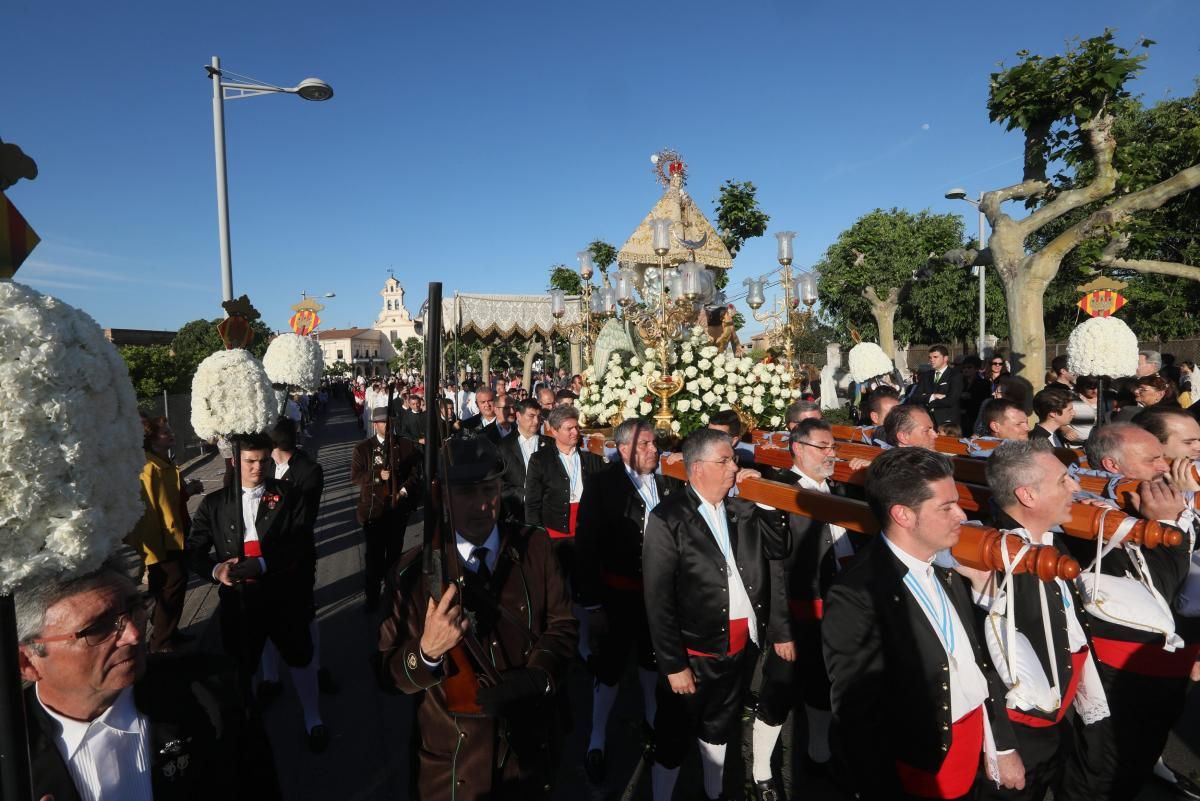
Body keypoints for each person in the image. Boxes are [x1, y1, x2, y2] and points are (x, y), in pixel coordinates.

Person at [376, 436, 578, 801]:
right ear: (443, 494)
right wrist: (426, 653)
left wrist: (536, 678)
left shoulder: (535, 546)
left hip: (529, 747)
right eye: (467, 492)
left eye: (490, 489)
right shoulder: (410, 575)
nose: (482, 504)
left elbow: (562, 625)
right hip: (454, 765)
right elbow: (387, 673)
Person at [823, 447, 1018, 800]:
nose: (961, 514)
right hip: (920, 767)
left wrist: (1001, 747)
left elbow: (976, 661)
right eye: (946, 507)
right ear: (903, 515)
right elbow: (858, 713)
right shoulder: (856, 592)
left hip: (972, 747)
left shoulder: (948, 567)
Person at [17, 566, 282, 801]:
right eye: (97, 628)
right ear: (27, 662)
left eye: (135, 608)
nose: (133, 634)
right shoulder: (13, 755)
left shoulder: (215, 689)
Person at [643, 428, 789, 801]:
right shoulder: (668, 518)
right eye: (724, 460)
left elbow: (777, 546)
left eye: (734, 459)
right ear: (697, 469)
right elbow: (658, 599)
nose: (734, 467)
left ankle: (713, 791)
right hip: (694, 650)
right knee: (674, 733)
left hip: (738, 646)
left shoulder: (742, 508)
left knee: (720, 724)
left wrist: (767, 498)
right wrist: (673, 664)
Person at [981, 441, 1114, 801]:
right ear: (1027, 495)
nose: (1076, 487)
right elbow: (983, 667)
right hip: (1021, 727)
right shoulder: (991, 560)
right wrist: (1003, 748)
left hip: (1063, 709)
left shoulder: (1055, 542)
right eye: (1063, 481)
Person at [1072, 422, 1194, 799]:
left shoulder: (1152, 498)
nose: (1165, 465)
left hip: (1167, 666)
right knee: (1109, 774)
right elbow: (1159, 589)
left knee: (1138, 759)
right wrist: (1170, 523)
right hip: (1122, 673)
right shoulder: (1092, 515)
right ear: (1112, 466)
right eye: (1153, 458)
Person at [185, 433, 327, 752]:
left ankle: (313, 717)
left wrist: (262, 565)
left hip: (284, 596)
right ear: (236, 461)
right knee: (240, 665)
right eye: (250, 461)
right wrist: (216, 570)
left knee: (300, 657)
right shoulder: (215, 504)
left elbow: (300, 543)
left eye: (263, 460)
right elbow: (193, 551)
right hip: (240, 603)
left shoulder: (288, 495)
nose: (258, 467)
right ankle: (246, 724)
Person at [751, 419, 869, 799]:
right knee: (779, 691)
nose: (831, 453)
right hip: (799, 613)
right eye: (823, 446)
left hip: (838, 612)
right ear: (798, 448)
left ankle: (819, 753)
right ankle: (760, 771)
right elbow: (774, 569)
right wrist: (781, 631)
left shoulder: (836, 489)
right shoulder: (780, 493)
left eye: (832, 446)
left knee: (823, 687)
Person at [574, 418, 682, 784]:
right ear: (623, 450)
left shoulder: (668, 480)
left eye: (655, 444)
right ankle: (597, 738)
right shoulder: (604, 485)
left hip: (661, 597)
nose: (655, 451)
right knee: (610, 669)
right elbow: (586, 544)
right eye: (646, 445)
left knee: (654, 663)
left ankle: (653, 724)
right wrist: (591, 605)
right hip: (619, 594)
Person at [127, 416, 199, 653]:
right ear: (150, 439)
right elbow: (148, 514)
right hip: (163, 542)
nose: (171, 434)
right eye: (165, 432)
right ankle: (161, 643)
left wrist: (187, 491)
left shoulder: (162, 463)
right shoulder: (149, 468)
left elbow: (169, 500)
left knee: (167, 586)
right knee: (173, 584)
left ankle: (168, 630)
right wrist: (153, 552)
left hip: (175, 534)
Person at [351, 407, 421, 612]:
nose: (388, 426)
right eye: (383, 422)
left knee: (394, 556)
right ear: (375, 424)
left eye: (390, 422)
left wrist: (403, 491)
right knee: (373, 559)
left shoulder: (407, 444)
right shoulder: (363, 448)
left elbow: (415, 474)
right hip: (373, 511)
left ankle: (392, 596)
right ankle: (372, 598)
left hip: (397, 510)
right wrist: (376, 475)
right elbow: (355, 476)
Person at [524, 404, 606, 578]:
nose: (575, 432)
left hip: (586, 528)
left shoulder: (589, 456)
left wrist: (602, 446)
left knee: (585, 578)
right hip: (555, 531)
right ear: (554, 431)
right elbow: (532, 502)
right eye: (569, 429)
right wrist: (536, 536)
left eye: (576, 427)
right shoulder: (540, 459)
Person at [496, 398, 552, 522]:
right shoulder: (503, 446)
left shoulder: (550, 444)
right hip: (517, 514)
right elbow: (498, 483)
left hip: (547, 512)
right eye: (531, 416)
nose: (536, 421)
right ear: (518, 416)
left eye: (539, 416)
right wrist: (523, 495)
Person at [909, 345, 962, 429]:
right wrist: (932, 396)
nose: (931, 360)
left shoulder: (955, 375)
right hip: (928, 421)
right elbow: (914, 397)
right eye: (930, 357)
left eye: (935, 357)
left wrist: (927, 402)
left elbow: (951, 400)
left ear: (945, 358)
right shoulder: (926, 376)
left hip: (947, 422)